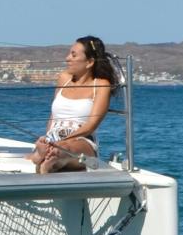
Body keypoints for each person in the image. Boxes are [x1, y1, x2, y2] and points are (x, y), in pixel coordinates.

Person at [30, 35, 118, 174]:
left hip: (82, 140)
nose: (67, 58)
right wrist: (48, 138)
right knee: (53, 147)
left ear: (89, 62)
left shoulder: (101, 85)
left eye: (73, 55)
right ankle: (47, 156)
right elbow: (53, 116)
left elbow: (91, 126)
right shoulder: (63, 78)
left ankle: (50, 158)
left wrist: (61, 141)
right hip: (54, 136)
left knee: (65, 148)